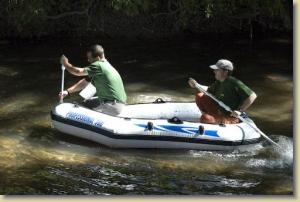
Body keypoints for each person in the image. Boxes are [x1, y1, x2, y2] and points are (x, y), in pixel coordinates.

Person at [59, 44, 127, 116]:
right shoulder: (106, 66)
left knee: (82, 111)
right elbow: (85, 82)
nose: (88, 60)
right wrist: (67, 91)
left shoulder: (99, 65)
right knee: (85, 103)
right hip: (119, 104)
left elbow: (77, 72)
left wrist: (65, 63)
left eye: (89, 58)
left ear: (98, 58)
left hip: (113, 106)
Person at [188, 59, 257, 124]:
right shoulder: (219, 82)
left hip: (232, 116)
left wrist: (240, 111)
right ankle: (214, 118)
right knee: (200, 96)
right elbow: (207, 92)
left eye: (217, 70)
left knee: (205, 118)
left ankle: (213, 120)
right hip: (220, 111)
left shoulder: (233, 82)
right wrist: (196, 85)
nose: (214, 71)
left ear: (225, 71)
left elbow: (253, 95)